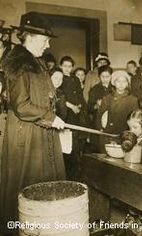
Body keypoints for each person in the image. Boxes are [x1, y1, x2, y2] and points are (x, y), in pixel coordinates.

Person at [0, 12, 66, 235]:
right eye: (45, 40)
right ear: (30, 37)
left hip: (39, 130)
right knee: (26, 185)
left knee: (42, 183)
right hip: (26, 134)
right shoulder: (19, 63)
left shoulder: (36, 62)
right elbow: (22, 105)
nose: (48, 45)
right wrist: (50, 118)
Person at [60, 55, 88, 180]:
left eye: (69, 66)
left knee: (76, 144)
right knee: (66, 144)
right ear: (61, 66)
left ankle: (76, 172)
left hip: (76, 114)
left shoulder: (75, 79)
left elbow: (80, 96)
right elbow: (59, 97)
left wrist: (80, 105)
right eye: (65, 66)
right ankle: (66, 173)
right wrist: (72, 106)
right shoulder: (59, 78)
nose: (67, 68)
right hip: (65, 113)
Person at [97, 70, 138, 151]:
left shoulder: (133, 100)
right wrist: (101, 130)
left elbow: (135, 119)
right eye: (118, 81)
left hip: (125, 135)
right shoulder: (107, 98)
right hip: (108, 134)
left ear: (127, 83)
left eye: (124, 81)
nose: (121, 84)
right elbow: (100, 116)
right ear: (114, 83)